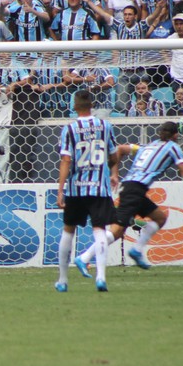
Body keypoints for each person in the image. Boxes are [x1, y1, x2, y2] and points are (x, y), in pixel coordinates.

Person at [73, 121, 183, 276]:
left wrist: (115, 174)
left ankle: (137, 250)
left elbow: (120, 149)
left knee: (160, 218)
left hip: (132, 188)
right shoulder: (174, 147)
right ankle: (84, 258)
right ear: (175, 135)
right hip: (135, 190)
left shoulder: (148, 146)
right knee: (116, 231)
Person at [55, 89, 117, 293]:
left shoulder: (70, 129)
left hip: (75, 189)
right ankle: (100, 277)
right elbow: (113, 154)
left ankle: (63, 280)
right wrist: (113, 172)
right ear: (92, 105)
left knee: (68, 231)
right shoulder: (106, 126)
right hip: (99, 188)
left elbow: (66, 159)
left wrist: (60, 189)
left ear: (74, 106)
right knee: (100, 231)